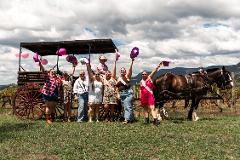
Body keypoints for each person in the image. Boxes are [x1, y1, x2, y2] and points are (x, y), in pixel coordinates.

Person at [116, 59, 134, 124]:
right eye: (121, 71)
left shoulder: (127, 77)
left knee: (127, 104)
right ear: (120, 72)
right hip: (122, 94)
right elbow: (117, 88)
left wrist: (132, 62)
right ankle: (131, 118)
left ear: (125, 72)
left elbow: (130, 71)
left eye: (124, 71)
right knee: (126, 106)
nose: (123, 71)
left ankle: (126, 119)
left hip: (128, 93)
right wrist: (118, 94)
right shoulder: (118, 78)